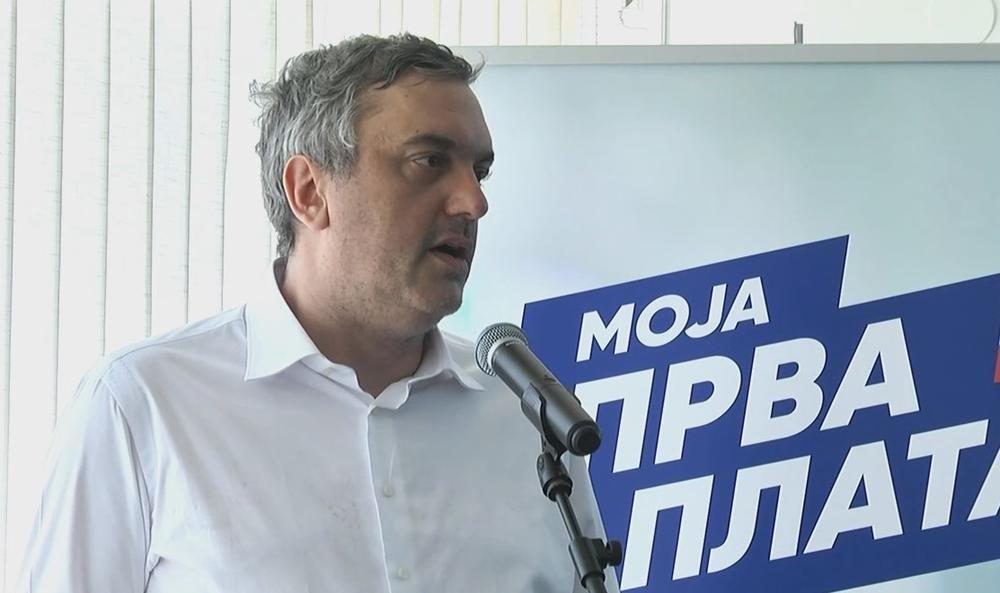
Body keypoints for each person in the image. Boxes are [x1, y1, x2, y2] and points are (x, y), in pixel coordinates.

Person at [17, 34, 619, 592]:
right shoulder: (142, 405)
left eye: (479, 171)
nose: (474, 202)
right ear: (309, 191)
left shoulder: (525, 417)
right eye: (429, 162)